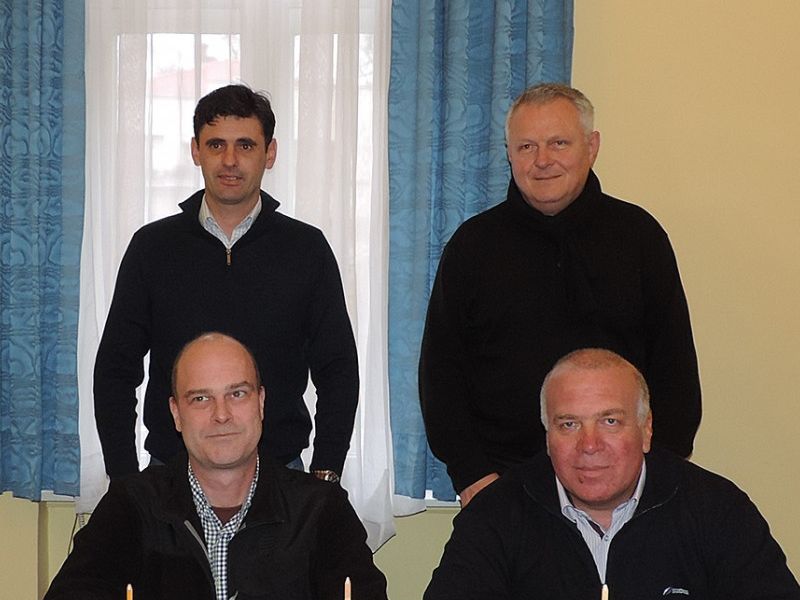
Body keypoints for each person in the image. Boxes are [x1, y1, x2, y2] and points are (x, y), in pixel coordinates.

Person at [419, 83, 701, 505]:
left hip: (626, 487)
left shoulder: (639, 238)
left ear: (592, 147)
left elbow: (675, 368)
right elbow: (440, 373)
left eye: (558, 143)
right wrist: (471, 475)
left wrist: (658, 474)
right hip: (503, 487)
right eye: (526, 146)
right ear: (509, 154)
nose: (542, 160)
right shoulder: (472, 246)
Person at [94, 84, 358, 483]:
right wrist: (124, 481)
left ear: (270, 153)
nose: (230, 160)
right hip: (170, 476)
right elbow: (115, 370)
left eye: (245, 146)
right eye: (216, 145)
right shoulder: (152, 248)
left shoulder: (306, 250)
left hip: (281, 477)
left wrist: (326, 475)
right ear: (196, 151)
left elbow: (338, 371)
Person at [424, 348, 799, 599]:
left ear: (646, 430)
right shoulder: (495, 516)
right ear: (548, 437)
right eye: (569, 424)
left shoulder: (717, 511)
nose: (589, 445)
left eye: (610, 421)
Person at [47, 333, 387, 600]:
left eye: (237, 394)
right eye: (201, 398)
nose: (221, 414)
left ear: (261, 403)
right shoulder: (130, 506)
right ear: (176, 413)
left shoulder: (321, 510)